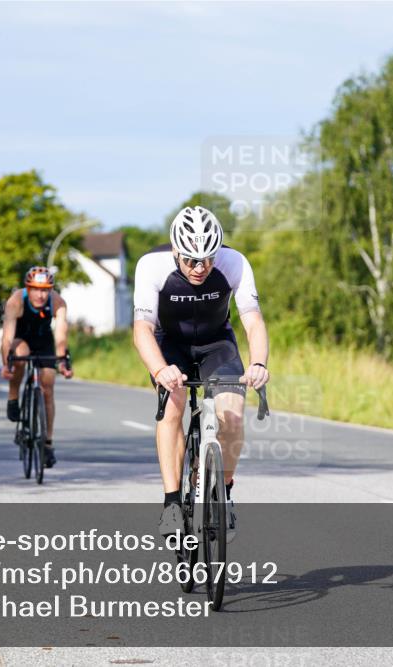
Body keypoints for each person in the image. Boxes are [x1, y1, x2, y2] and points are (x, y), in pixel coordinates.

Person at [132, 206, 269, 541]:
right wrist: (160, 369)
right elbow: (142, 329)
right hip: (169, 345)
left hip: (216, 343)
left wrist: (259, 363)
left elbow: (253, 321)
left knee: (232, 417)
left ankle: (223, 494)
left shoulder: (234, 262)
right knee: (173, 405)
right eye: (191, 260)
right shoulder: (151, 266)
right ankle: (171, 503)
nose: (199, 268)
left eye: (207, 259)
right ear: (175, 251)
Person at [0, 266, 73, 469]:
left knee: (48, 386)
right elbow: (7, 338)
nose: (40, 295)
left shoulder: (58, 302)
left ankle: (47, 443)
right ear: (28, 288)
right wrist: (6, 365)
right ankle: (13, 396)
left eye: (45, 290)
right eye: (36, 289)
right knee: (20, 357)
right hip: (20, 339)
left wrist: (62, 361)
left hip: (43, 340)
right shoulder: (15, 301)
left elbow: (61, 335)